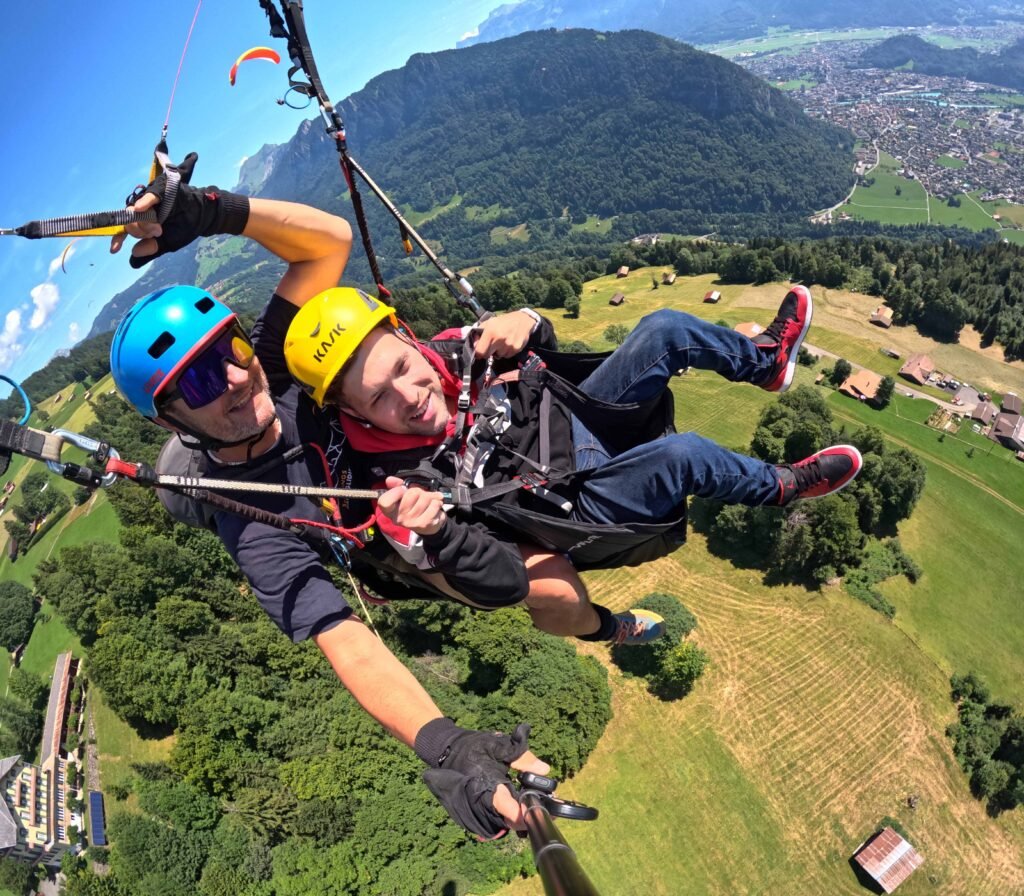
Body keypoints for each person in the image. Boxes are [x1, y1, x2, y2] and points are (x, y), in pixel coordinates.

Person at [106, 159, 630, 841]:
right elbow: (343, 639)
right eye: (202, 380)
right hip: (400, 546)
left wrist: (214, 211)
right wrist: (442, 743)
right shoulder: (252, 517)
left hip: (430, 463)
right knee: (556, 589)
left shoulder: (279, 366)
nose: (239, 377)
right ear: (171, 421)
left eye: (231, 347)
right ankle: (607, 629)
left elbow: (325, 245)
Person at [282, 283, 864, 590]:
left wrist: (527, 320)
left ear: (407, 340)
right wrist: (426, 529)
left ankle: (764, 361)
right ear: (351, 412)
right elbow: (436, 557)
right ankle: (786, 486)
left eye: (402, 368)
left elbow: (540, 345)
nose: (410, 395)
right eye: (380, 398)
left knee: (663, 328)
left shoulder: (454, 348)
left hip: (582, 417)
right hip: (576, 499)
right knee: (683, 456)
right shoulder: (389, 486)